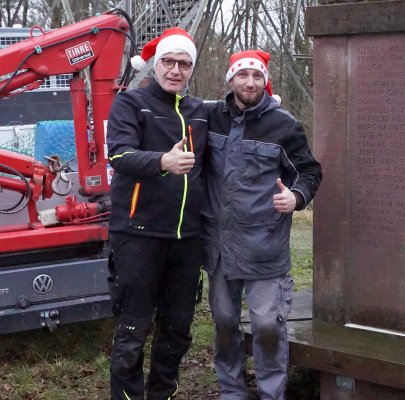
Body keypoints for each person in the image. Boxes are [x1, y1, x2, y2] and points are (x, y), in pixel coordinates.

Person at [202, 50, 322, 400]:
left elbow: (309, 171)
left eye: (257, 76)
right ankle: (232, 391)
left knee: (268, 325)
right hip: (220, 247)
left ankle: (272, 393)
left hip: (264, 244)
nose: (250, 82)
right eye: (243, 75)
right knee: (224, 323)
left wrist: (296, 198)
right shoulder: (211, 118)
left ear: (265, 81)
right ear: (231, 79)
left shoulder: (283, 124)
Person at [106, 27, 207, 400]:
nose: (175, 70)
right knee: (134, 327)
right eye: (168, 61)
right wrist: (162, 160)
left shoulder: (200, 112)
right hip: (139, 233)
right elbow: (118, 154)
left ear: (191, 69)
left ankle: (162, 393)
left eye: (184, 64)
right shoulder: (131, 103)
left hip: (186, 238)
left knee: (178, 328)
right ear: (155, 63)